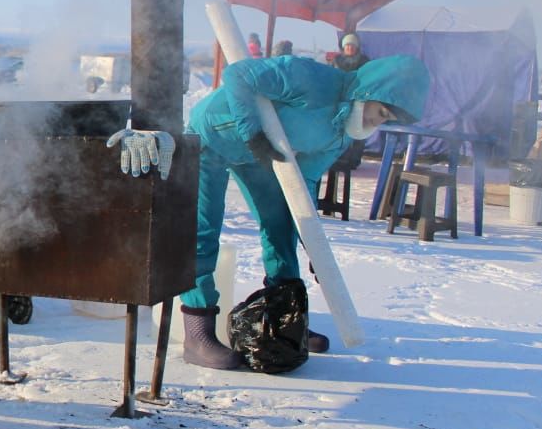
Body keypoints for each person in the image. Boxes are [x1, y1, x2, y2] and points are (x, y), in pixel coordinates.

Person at [179, 54, 431, 369]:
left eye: (387, 119)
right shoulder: (312, 79)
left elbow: (304, 182)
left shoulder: (340, 134)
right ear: (371, 90)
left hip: (260, 153)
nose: (378, 124)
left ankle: (285, 320)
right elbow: (238, 75)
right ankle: (197, 334)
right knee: (203, 230)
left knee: (281, 226)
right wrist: (252, 132)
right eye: (381, 112)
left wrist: (311, 239)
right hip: (212, 136)